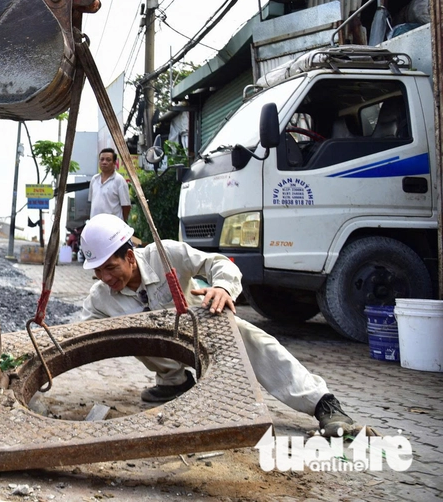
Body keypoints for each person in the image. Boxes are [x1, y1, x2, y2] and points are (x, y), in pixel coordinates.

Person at [75, 213, 358, 438]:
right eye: (97, 271)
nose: (105, 277)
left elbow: (218, 264)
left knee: (250, 337)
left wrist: (222, 287)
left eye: (110, 268)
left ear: (130, 256)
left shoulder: (167, 254)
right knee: (132, 331)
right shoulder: (100, 298)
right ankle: (175, 383)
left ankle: (322, 402)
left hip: (203, 328)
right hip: (165, 354)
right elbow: (76, 336)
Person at [90, 147, 131, 222]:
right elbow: (92, 203)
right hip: (95, 225)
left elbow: (126, 206)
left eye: (108, 160)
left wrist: (122, 223)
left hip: (112, 227)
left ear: (115, 162)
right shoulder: (94, 179)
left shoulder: (119, 180)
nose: (104, 162)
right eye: (102, 159)